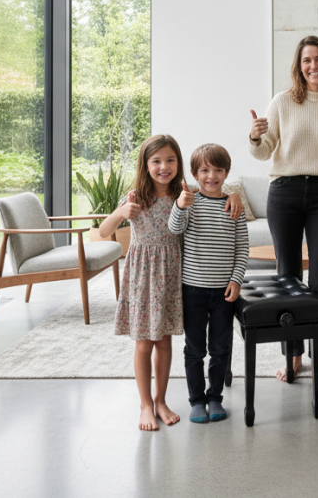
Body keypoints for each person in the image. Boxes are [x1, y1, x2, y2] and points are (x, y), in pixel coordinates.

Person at [104, 134, 243, 431]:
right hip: (143, 278)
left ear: (179, 164)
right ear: (145, 164)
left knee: (165, 341)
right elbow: (104, 231)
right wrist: (120, 212)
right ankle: (145, 404)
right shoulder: (135, 196)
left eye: (170, 160)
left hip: (172, 276)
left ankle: (160, 401)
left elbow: (213, 189)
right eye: (156, 161)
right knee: (144, 342)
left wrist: (234, 194)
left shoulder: (187, 194)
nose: (163, 167)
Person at [248, 35, 318, 385]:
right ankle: (293, 356)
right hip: (284, 192)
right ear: (299, 66)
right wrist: (254, 136)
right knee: (288, 277)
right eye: (306, 60)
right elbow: (263, 152)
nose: (313, 65)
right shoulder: (282, 101)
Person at [169, 143, 249, 423]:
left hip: (224, 292)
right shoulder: (189, 202)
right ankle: (196, 400)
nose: (211, 176)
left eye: (218, 170)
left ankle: (215, 397)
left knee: (219, 348)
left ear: (226, 173)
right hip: (192, 290)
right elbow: (174, 228)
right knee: (194, 350)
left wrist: (236, 280)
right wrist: (180, 205)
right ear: (194, 174)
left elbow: (242, 248)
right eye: (204, 170)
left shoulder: (233, 205)